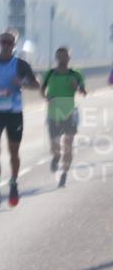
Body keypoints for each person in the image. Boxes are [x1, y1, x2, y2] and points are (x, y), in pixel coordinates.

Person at [0, 29, 40, 207]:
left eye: (9, 43)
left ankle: (13, 183)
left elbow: (36, 84)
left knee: (13, 152)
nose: (5, 45)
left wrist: (22, 84)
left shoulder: (20, 65)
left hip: (13, 113)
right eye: (3, 42)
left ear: (14, 45)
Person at [41, 46, 87, 188]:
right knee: (55, 146)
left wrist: (78, 87)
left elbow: (84, 92)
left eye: (65, 56)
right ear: (56, 58)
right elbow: (42, 91)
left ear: (69, 58)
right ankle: (56, 157)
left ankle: (64, 174)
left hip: (70, 113)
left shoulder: (76, 74)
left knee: (68, 144)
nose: (62, 59)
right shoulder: (49, 74)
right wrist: (46, 97)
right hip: (53, 113)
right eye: (59, 56)